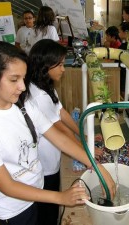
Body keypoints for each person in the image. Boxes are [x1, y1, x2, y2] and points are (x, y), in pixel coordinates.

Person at [0, 41, 115, 225]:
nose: (23, 87)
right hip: (12, 209)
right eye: (13, 79)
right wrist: (60, 197)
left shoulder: (23, 104)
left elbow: (58, 137)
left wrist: (96, 166)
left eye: (23, 79)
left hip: (37, 189)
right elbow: (6, 186)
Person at [27, 39, 103, 225]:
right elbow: (60, 131)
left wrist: (84, 137)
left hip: (52, 155)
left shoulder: (46, 85)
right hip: (44, 163)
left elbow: (61, 113)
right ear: (45, 66)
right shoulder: (39, 96)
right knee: (48, 207)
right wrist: (87, 152)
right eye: (59, 64)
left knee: (51, 202)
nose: (63, 69)